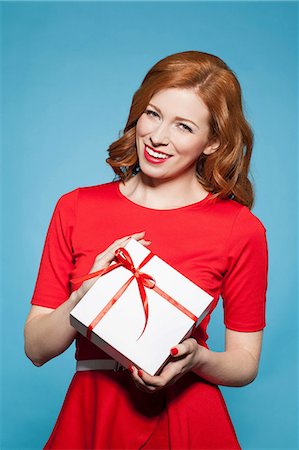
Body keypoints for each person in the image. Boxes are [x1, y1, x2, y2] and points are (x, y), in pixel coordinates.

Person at [24, 50, 268, 449]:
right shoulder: (76, 208)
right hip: (93, 412)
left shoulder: (241, 229)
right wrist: (83, 297)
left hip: (189, 418)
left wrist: (197, 360)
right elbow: (35, 348)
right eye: (153, 114)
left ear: (213, 142)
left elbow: (245, 362)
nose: (158, 137)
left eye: (184, 126)